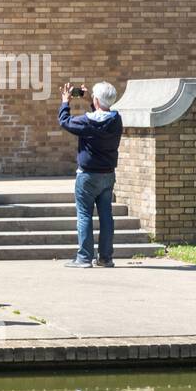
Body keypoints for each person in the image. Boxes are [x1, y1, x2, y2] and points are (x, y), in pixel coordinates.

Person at [59, 81, 123, 268]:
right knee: (106, 216)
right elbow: (102, 115)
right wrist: (93, 101)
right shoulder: (116, 120)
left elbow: (65, 121)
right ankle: (105, 257)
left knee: (85, 215)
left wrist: (65, 101)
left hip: (87, 176)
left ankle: (84, 258)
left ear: (96, 99)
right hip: (107, 175)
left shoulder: (87, 121)